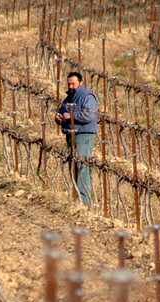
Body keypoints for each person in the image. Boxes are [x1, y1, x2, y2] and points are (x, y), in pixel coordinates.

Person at [55, 72, 98, 206]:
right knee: (73, 165)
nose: (70, 86)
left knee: (81, 166)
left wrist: (70, 115)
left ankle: (84, 202)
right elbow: (62, 112)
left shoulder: (87, 96)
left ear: (81, 83)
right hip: (70, 135)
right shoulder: (69, 98)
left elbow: (89, 115)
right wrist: (59, 117)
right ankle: (76, 198)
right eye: (69, 83)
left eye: (73, 83)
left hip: (83, 135)